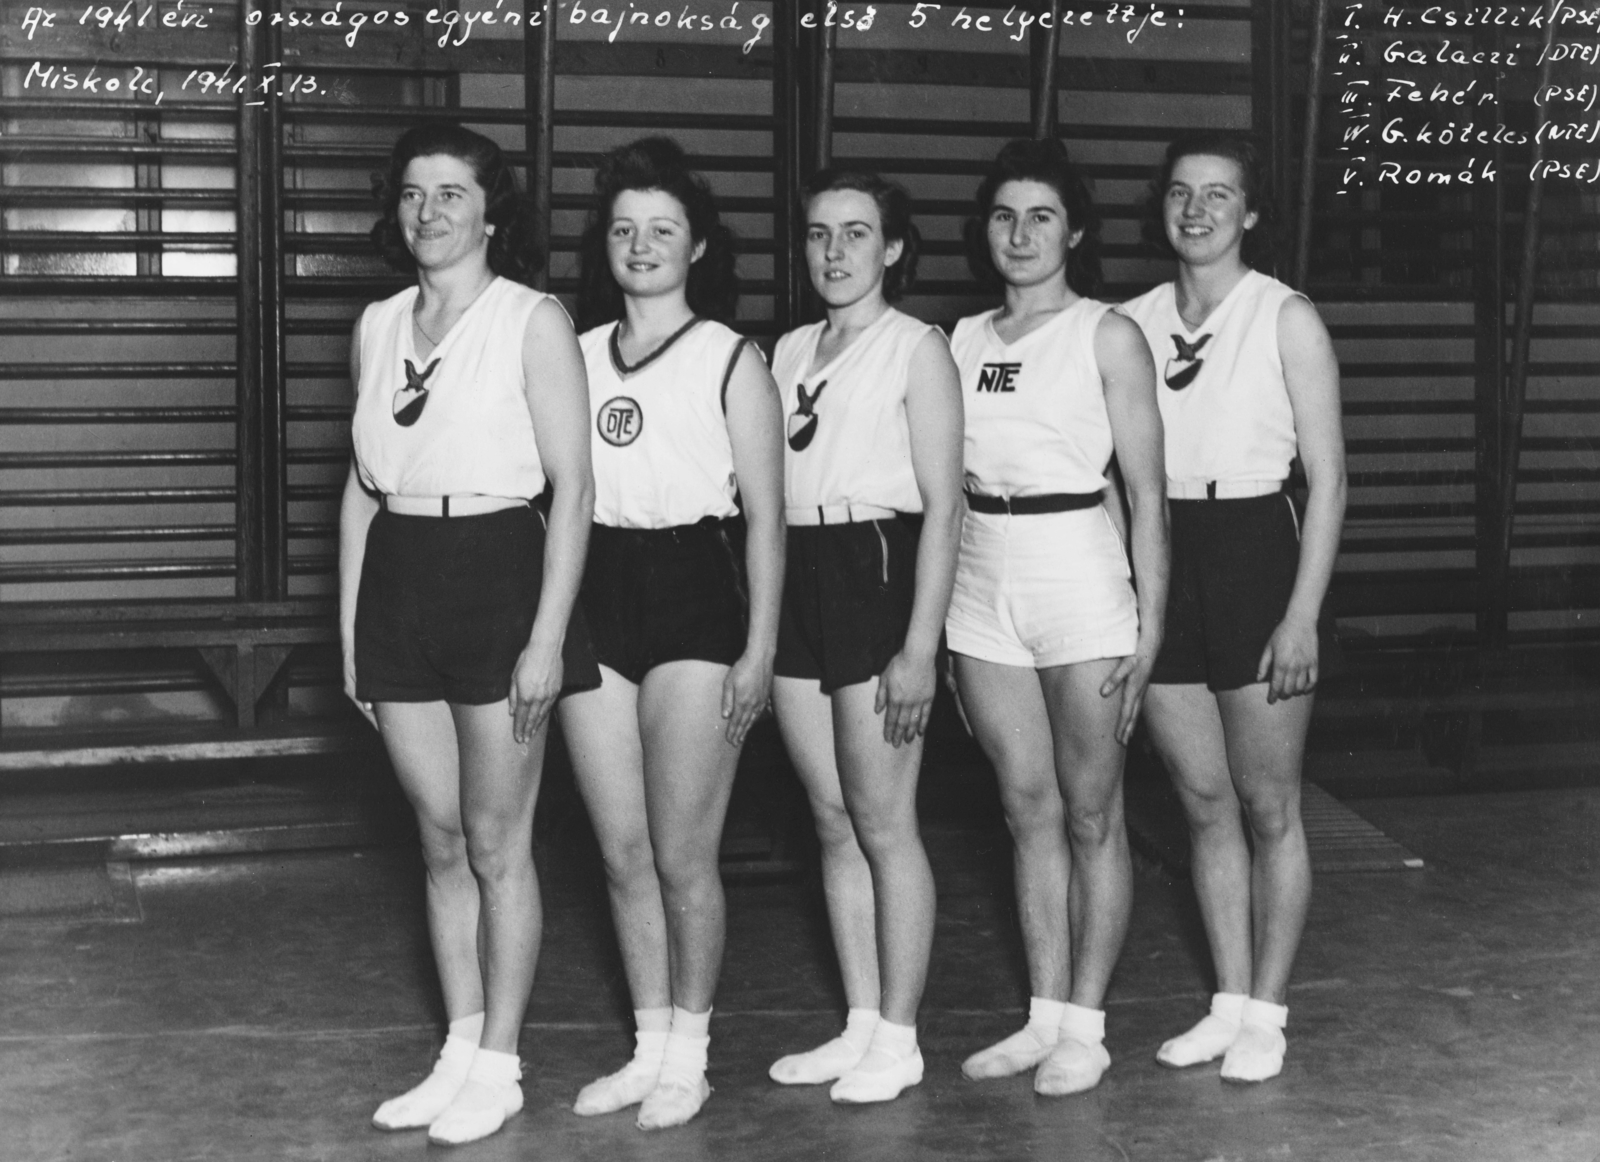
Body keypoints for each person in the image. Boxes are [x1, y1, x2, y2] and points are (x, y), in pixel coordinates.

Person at [339, 121, 596, 1146]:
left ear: (493, 212)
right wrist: (356, 638)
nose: (429, 213)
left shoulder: (531, 319)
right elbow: (360, 491)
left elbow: (575, 489)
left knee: (498, 840)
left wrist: (545, 638)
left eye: (451, 194)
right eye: (413, 194)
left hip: (499, 573)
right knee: (438, 838)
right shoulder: (376, 322)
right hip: (400, 578)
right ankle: (458, 1046)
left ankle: (502, 1062)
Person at [557, 137, 785, 1130]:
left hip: (696, 593)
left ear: (697, 248)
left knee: (685, 850)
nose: (641, 246)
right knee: (620, 847)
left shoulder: (731, 357)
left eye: (662, 231)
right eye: (624, 230)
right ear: (603, 246)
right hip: (596, 591)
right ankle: (648, 1047)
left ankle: (690, 1053)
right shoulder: (569, 353)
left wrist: (761, 651)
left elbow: (768, 521)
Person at [948, 138, 1168, 1096]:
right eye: (1005, 215)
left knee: (1090, 812)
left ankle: (1086, 1022)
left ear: (1074, 230)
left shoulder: (1106, 334)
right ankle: (1042, 1018)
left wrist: (1149, 629)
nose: (1022, 233)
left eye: (1042, 216)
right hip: (979, 579)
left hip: (1078, 574)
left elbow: (1147, 497)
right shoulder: (956, 340)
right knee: (1024, 807)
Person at [1123, 134, 1345, 1084]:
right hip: (1165, 556)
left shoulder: (1285, 315)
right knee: (1203, 803)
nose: (1198, 210)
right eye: (1182, 193)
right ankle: (1225, 1002)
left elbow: (1330, 480)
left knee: (1266, 803)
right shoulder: (1126, 322)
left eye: (1219, 195)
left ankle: (1268, 1011)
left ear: (1250, 212)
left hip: (1258, 546)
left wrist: (1301, 616)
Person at [764, 170, 964, 1104]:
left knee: (885, 821)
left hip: (876, 567)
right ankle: (858, 1023)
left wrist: (921, 646)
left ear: (891, 248)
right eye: (818, 235)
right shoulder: (789, 348)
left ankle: (901, 1035)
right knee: (832, 818)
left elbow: (946, 508)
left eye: (855, 234)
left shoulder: (916, 348)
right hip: (799, 571)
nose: (834, 252)